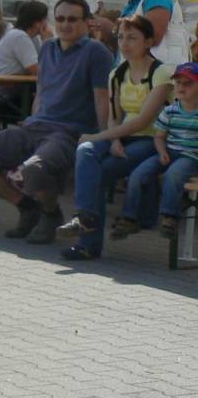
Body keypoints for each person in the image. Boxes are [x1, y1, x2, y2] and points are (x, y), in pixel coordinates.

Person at [0, 0, 113, 245]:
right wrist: (31, 118)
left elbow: (102, 99)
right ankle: (29, 208)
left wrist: (104, 137)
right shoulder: (48, 47)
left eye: (72, 19)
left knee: (34, 169)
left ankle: (50, 213)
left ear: (86, 22)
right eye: (60, 19)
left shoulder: (97, 52)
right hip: (35, 125)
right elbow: (42, 90)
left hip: (69, 132)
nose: (65, 24)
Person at [57, 15, 171, 259]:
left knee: (96, 168)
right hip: (123, 136)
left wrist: (102, 136)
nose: (124, 43)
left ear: (148, 41)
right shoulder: (117, 74)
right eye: (120, 37)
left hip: (152, 140)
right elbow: (114, 117)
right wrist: (113, 139)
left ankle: (88, 242)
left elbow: (143, 121)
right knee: (85, 151)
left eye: (132, 37)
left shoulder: (161, 74)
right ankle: (85, 218)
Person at [111, 63, 198, 241]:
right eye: (178, 83)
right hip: (169, 152)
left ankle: (169, 217)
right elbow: (159, 137)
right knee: (137, 174)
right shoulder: (170, 110)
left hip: (191, 157)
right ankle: (129, 217)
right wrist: (161, 151)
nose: (181, 87)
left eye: (188, 84)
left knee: (173, 175)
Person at [0, 0, 48, 109]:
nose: (47, 23)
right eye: (45, 20)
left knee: (43, 104)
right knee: (46, 108)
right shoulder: (20, 37)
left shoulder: (26, 36)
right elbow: (40, 72)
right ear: (37, 23)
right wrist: (47, 40)